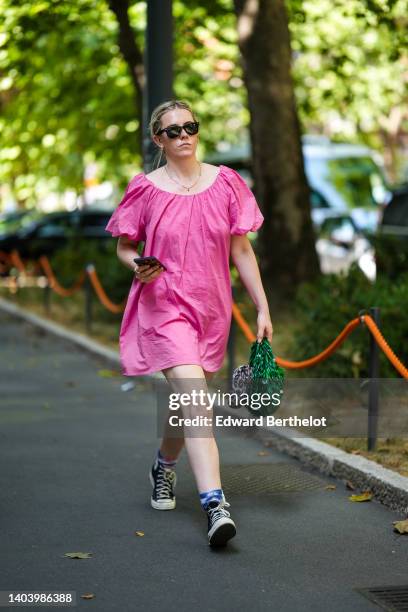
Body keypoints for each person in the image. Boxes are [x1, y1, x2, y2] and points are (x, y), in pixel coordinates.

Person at [104, 99, 273, 547]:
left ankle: (164, 465)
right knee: (198, 403)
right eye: (172, 130)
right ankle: (215, 505)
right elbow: (124, 245)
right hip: (163, 307)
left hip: (211, 310)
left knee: (186, 402)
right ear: (158, 139)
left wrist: (261, 306)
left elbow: (241, 250)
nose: (183, 136)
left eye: (189, 127)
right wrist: (136, 262)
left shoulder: (227, 183)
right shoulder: (145, 188)